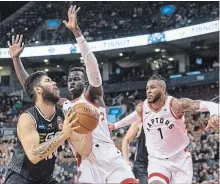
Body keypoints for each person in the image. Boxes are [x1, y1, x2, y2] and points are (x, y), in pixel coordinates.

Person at [9, 5, 138, 184]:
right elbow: (32, 87)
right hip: (85, 162)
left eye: (77, 78)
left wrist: (78, 33)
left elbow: (91, 65)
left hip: (109, 156)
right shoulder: (64, 106)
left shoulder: (94, 96)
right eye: (69, 79)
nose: (71, 81)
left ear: (85, 83)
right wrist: (16, 60)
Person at [109, 74, 219, 184]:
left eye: (152, 87)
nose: (148, 91)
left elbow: (210, 104)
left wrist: (214, 114)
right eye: (147, 88)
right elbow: (133, 116)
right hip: (157, 161)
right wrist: (115, 125)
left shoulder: (176, 105)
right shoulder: (142, 108)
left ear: (163, 89)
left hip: (180, 160)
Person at [3, 69, 80, 183]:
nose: (54, 82)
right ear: (38, 89)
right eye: (48, 80)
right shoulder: (27, 118)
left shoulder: (63, 115)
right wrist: (63, 134)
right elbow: (34, 156)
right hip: (20, 177)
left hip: (45, 179)